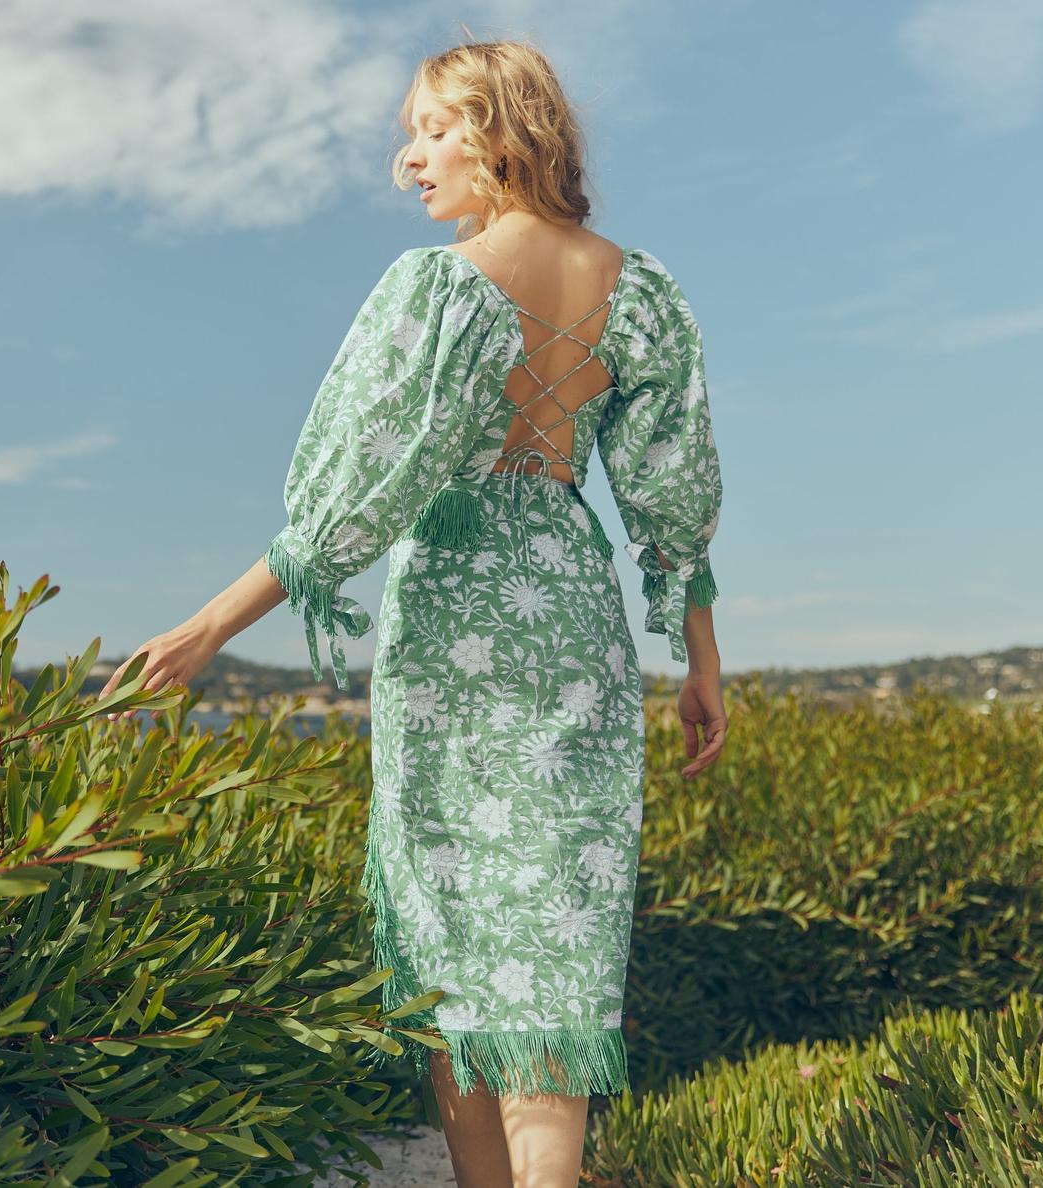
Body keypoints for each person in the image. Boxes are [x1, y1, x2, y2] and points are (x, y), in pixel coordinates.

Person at [98, 37, 727, 1188]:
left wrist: (206, 629)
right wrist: (702, 665)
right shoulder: (639, 290)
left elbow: (352, 504)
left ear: (500, 132)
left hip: (454, 620)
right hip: (573, 616)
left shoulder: (435, 287)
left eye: (434, 130)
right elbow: (671, 496)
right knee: (553, 944)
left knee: (455, 938)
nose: (411, 159)